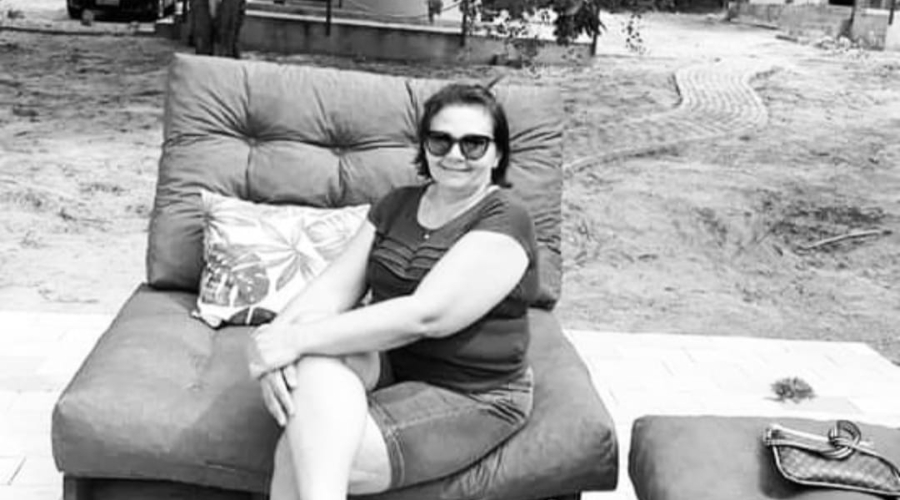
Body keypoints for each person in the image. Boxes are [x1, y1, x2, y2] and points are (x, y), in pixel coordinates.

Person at [247, 83, 540, 500]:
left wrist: (293, 340)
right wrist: (271, 346)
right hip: (389, 366)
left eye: (474, 144)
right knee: (310, 352)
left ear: (497, 154)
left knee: (301, 454)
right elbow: (331, 289)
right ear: (425, 146)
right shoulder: (397, 204)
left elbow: (427, 315)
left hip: (472, 392)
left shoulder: (506, 218)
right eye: (440, 140)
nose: (455, 154)